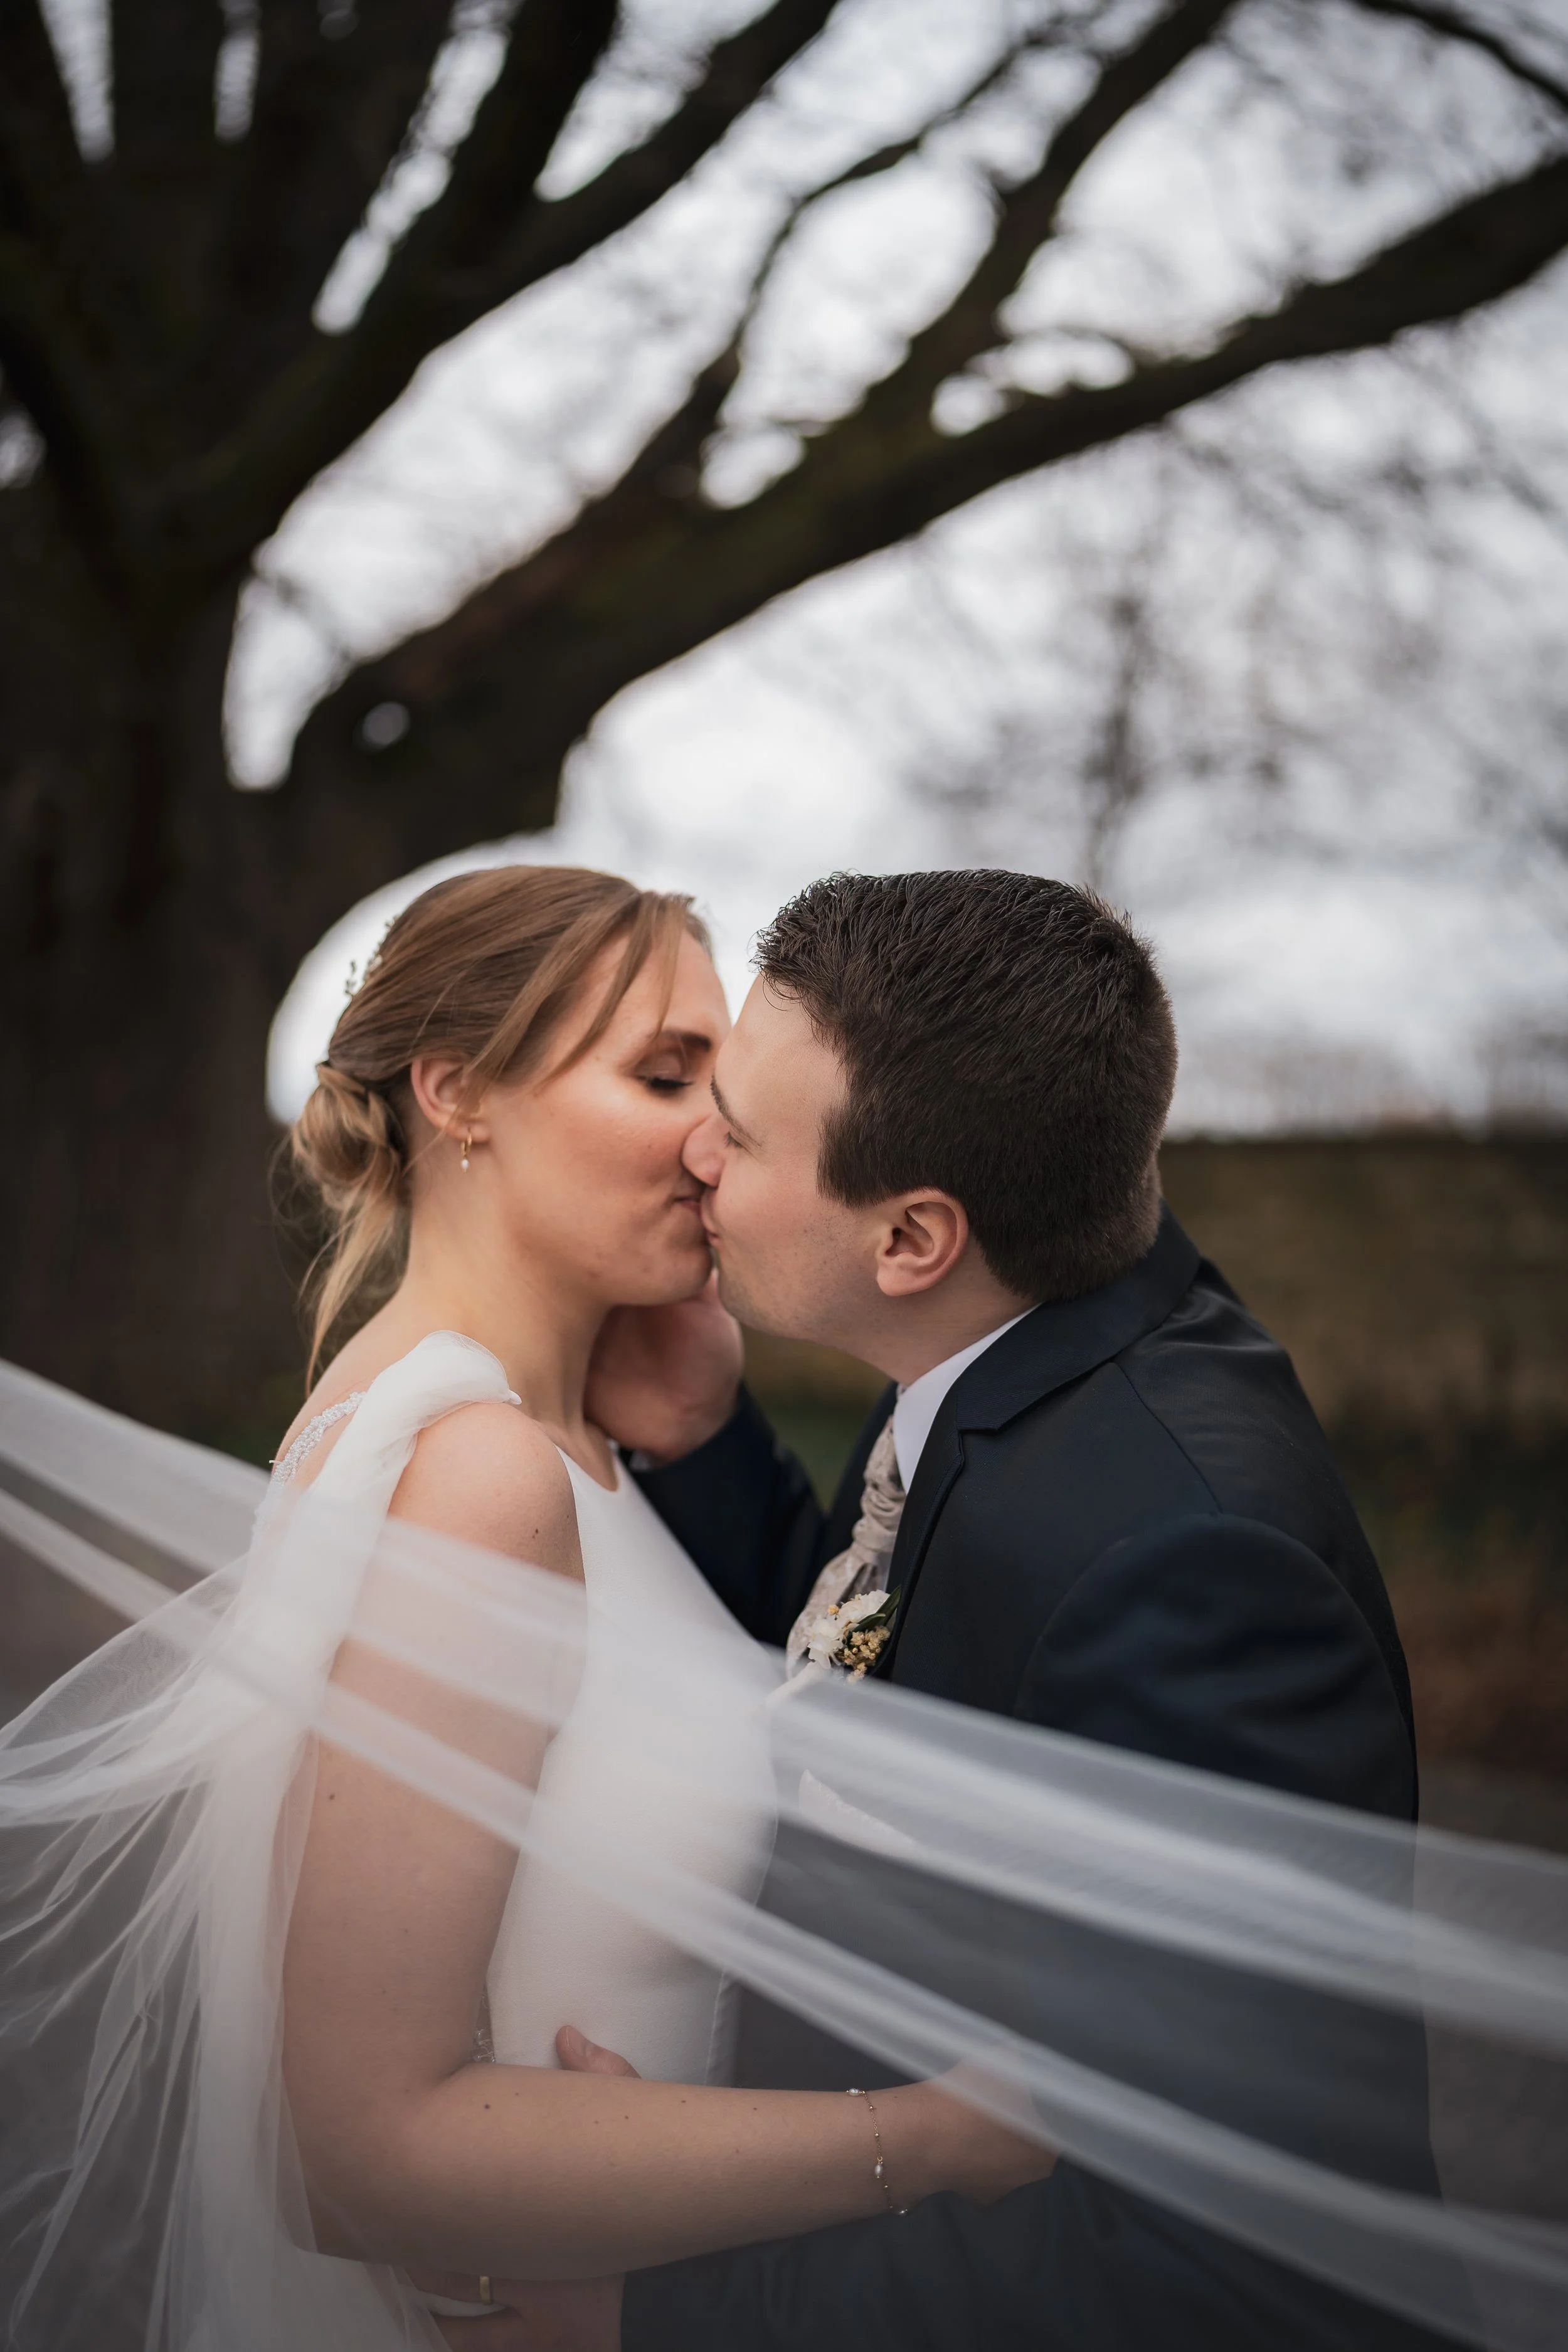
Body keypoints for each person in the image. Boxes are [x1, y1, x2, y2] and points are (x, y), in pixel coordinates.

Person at [0, 866, 1049, 2352]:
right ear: (457, 1093)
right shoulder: (473, 1474)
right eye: (662, 1073)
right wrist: (926, 2138)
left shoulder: (571, 1440)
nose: (713, 1140)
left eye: (726, 1083)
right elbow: (357, 2152)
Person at [524, 869, 1453, 2352]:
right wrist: (708, 1450)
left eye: (745, 1134)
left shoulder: (1187, 1568)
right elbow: (914, 1660)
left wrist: (669, 2311)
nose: (694, 1149)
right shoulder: (1045, 1304)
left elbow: (1206, 2258)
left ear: (911, 1241)